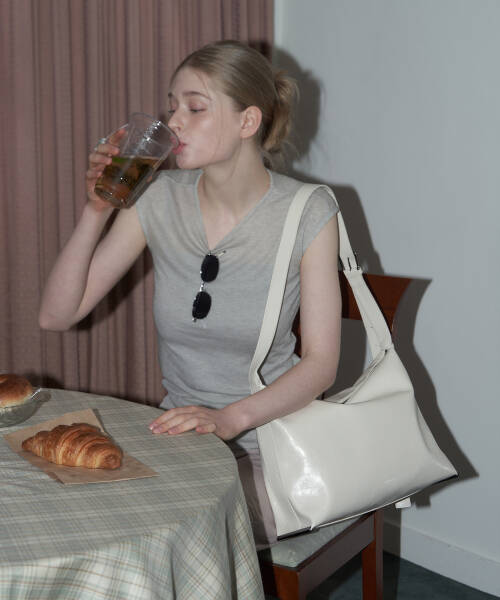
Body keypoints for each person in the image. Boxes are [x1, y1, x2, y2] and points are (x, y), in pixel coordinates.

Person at [39, 40, 342, 549]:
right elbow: (57, 314)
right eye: (171, 106)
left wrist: (227, 420)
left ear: (248, 121)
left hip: (272, 446)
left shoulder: (308, 210)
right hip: (181, 440)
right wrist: (97, 209)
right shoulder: (158, 197)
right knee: (76, 506)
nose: (173, 122)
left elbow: (322, 365)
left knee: (169, 534)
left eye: (195, 108)